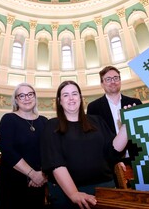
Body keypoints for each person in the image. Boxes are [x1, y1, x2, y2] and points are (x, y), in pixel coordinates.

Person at [41, 80, 128, 209]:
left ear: (81, 98)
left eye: (74, 94)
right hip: (67, 193)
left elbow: (113, 151)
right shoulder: (52, 125)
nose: (71, 98)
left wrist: (126, 125)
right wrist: (74, 193)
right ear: (59, 100)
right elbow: (55, 163)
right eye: (65, 95)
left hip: (104, 188)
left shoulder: (97, 120)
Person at [87, 66, 142, 186]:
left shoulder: (135, 103)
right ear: (102, 83)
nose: (112, 81)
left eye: (115, 78)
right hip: (109, 163)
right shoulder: (93, 107)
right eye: (108, 79)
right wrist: (115, 160)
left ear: (120, 80)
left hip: (137, 159)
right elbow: (95, 140)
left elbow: (143, 132)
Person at [0, 83, 48, 209]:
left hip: (38, 183)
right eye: (22, 95)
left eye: (30, 94)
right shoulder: (8, 119)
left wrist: (43, 175)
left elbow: (50, 151)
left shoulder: (45, 121)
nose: (27, 98)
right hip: (12, 183)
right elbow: (8, 151)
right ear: (16, 100)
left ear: (35, 97)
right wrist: (32, 174)